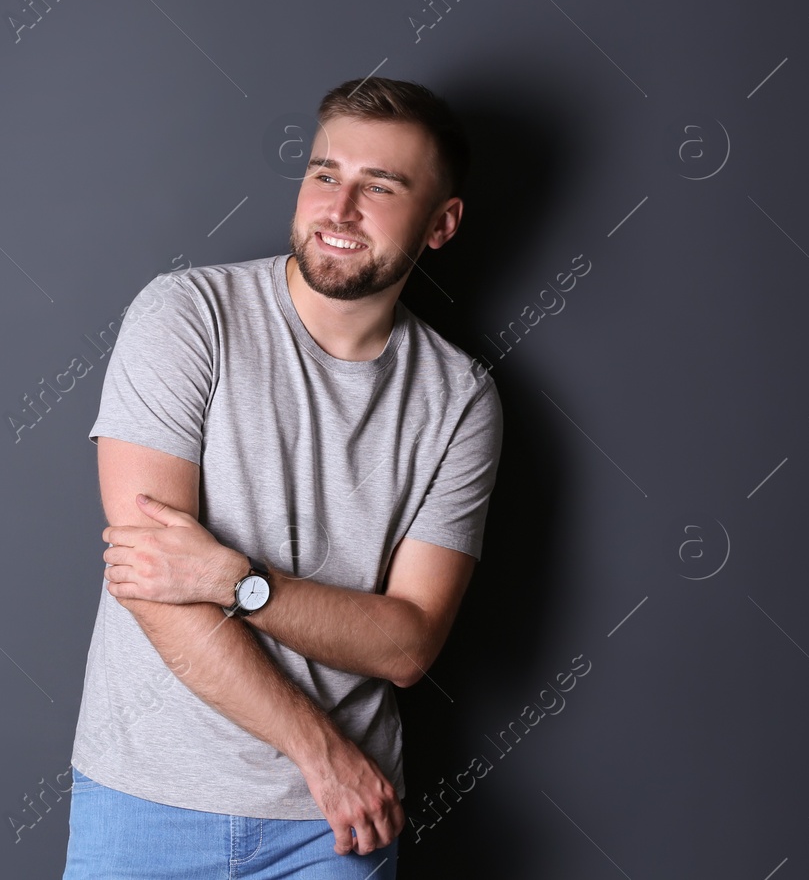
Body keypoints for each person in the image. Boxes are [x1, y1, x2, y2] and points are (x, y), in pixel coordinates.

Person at [61, 76, 504, 878]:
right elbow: (151, 583)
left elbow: (407, 644)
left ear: (442, 223)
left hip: (335, 832)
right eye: (325, 174)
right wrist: (322, 751)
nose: (339, 210)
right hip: (151, 800)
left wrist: (239, 580)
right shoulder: (186, 316)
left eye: (381, 187)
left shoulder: (460, 399)